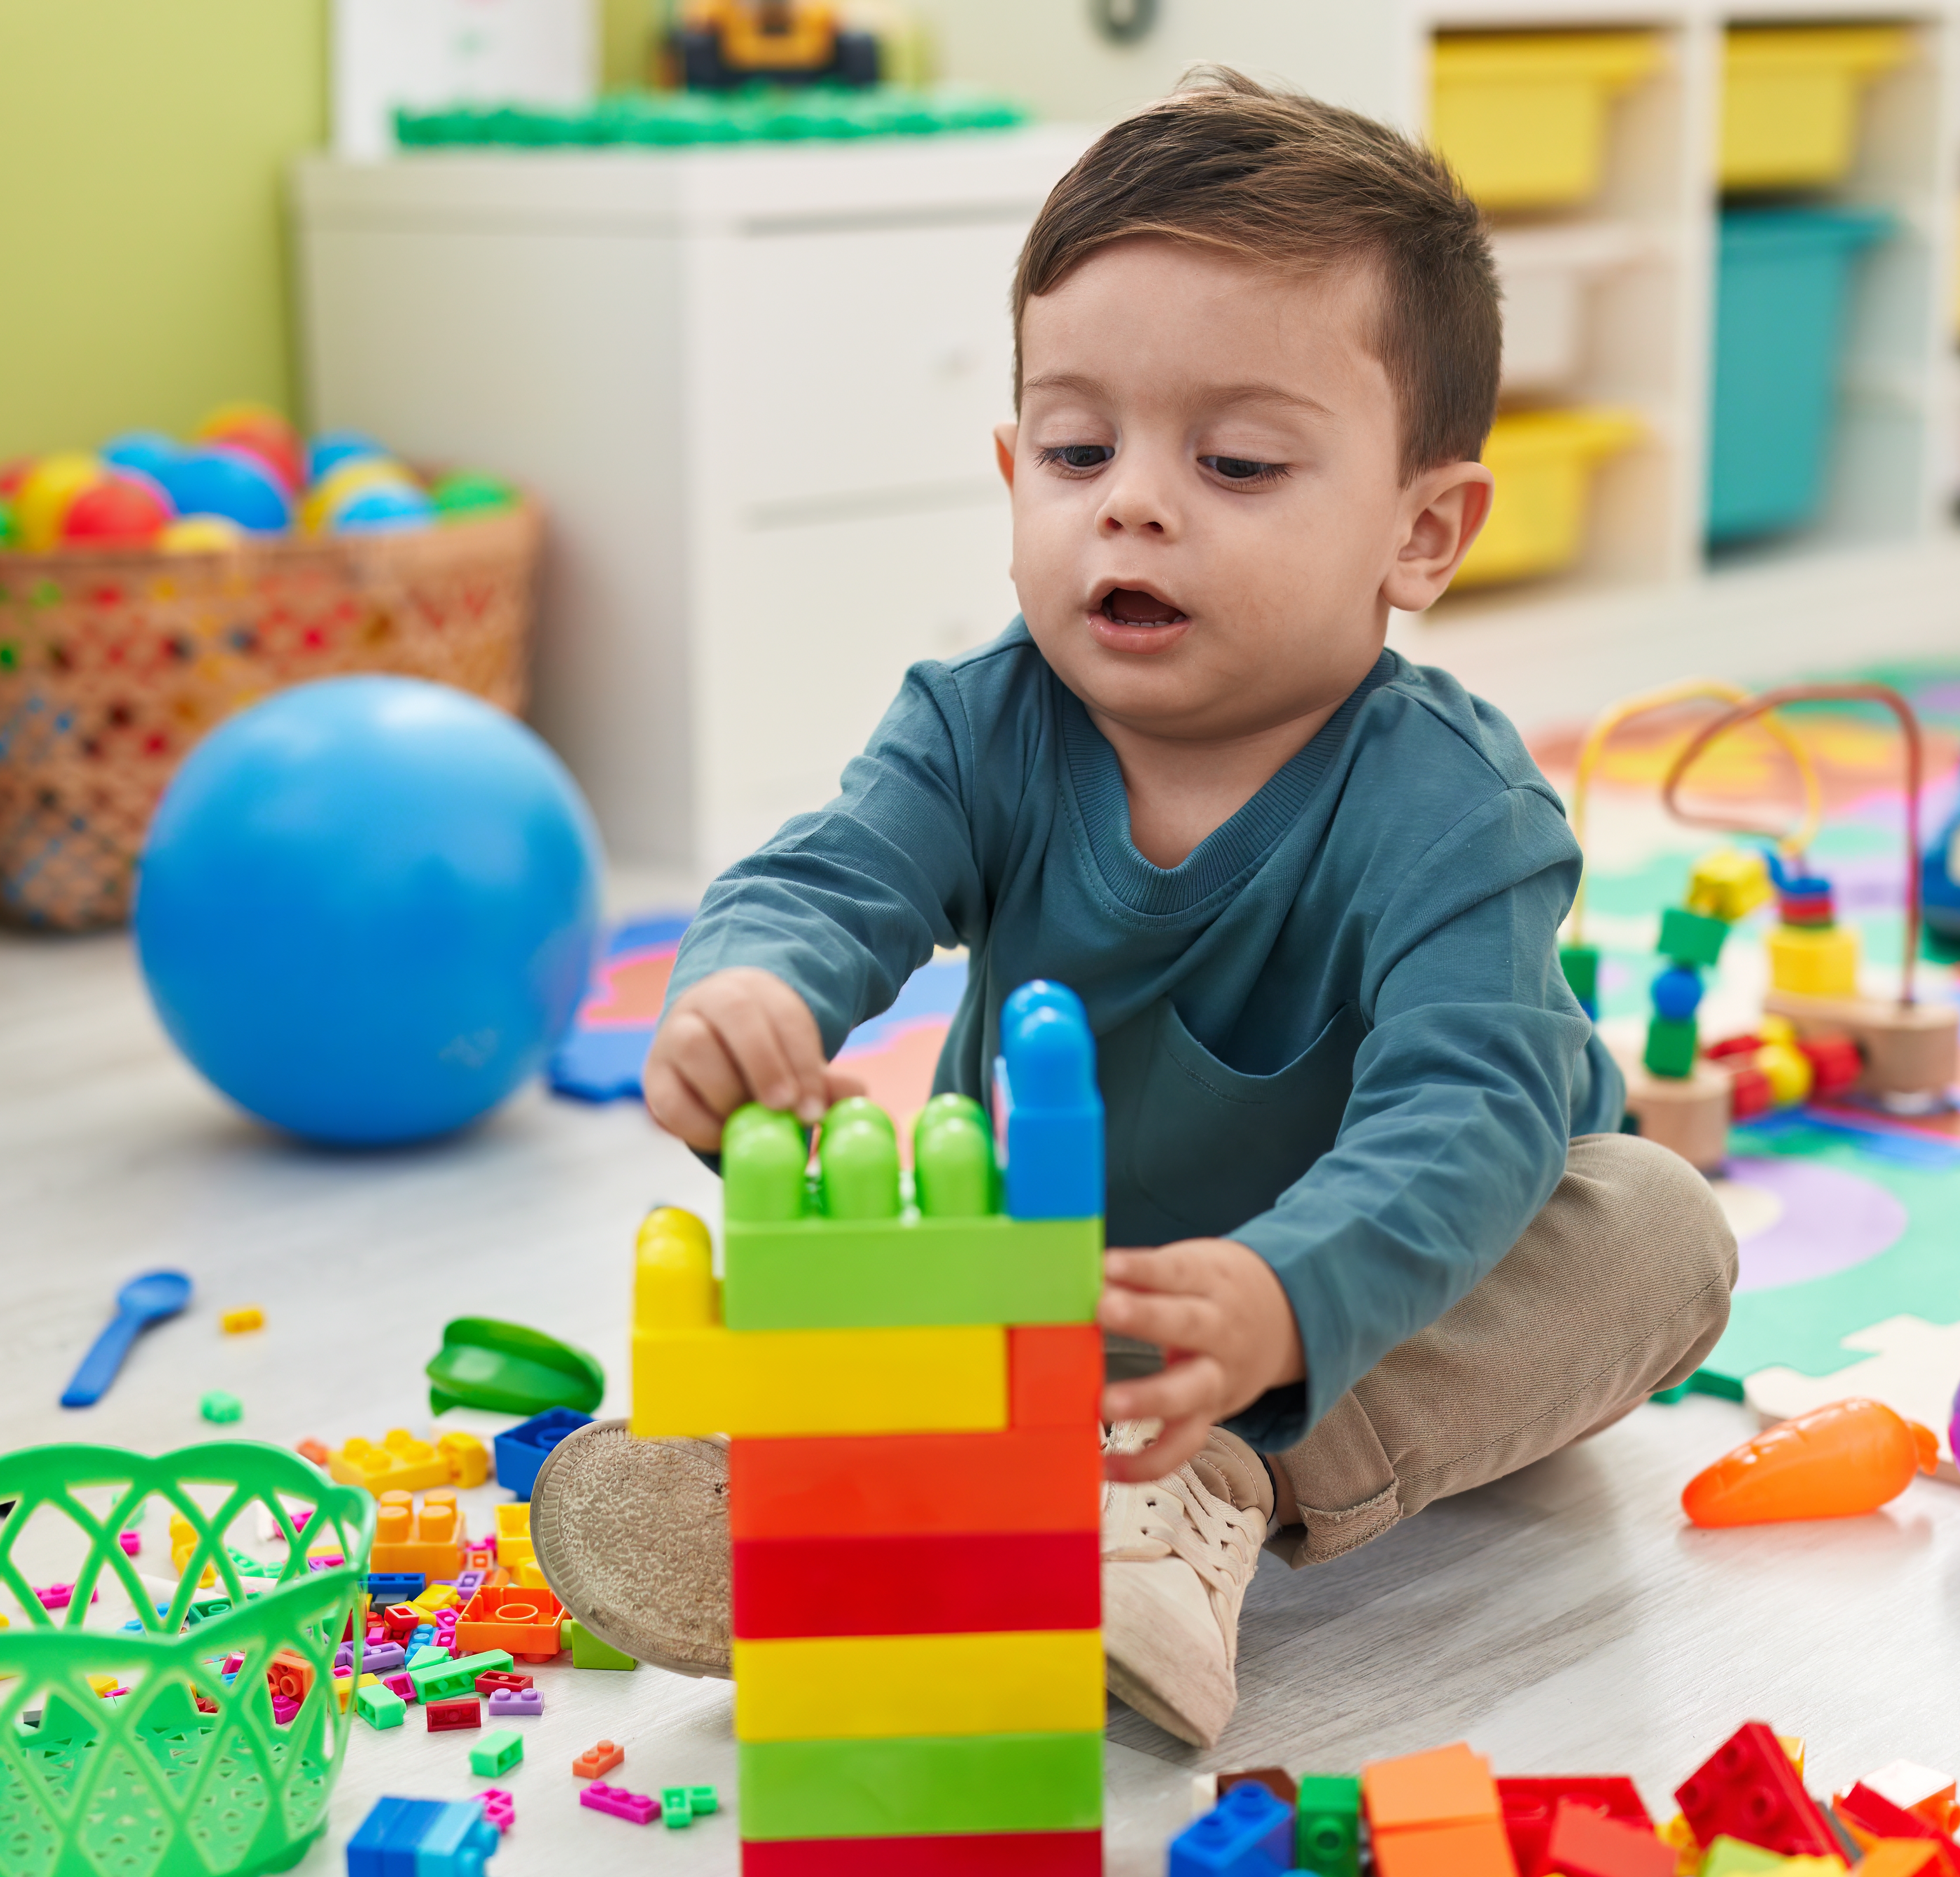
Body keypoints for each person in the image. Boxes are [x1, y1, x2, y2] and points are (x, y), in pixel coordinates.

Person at [528, 65, 1738, 1751]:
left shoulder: (1459, 813)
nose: (1134, 500)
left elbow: (1468, 1119)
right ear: (1014, 464)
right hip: (1033, 1285)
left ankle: (1209, 1489)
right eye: (1079, 448)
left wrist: (1280, 1303)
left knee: (1659, 1224)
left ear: (1422, 530)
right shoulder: (979, 721)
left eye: (1237, 461)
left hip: (1378, 1302)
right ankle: (831, 1504)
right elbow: (829, 872)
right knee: (878, 1208)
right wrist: (754, 990)